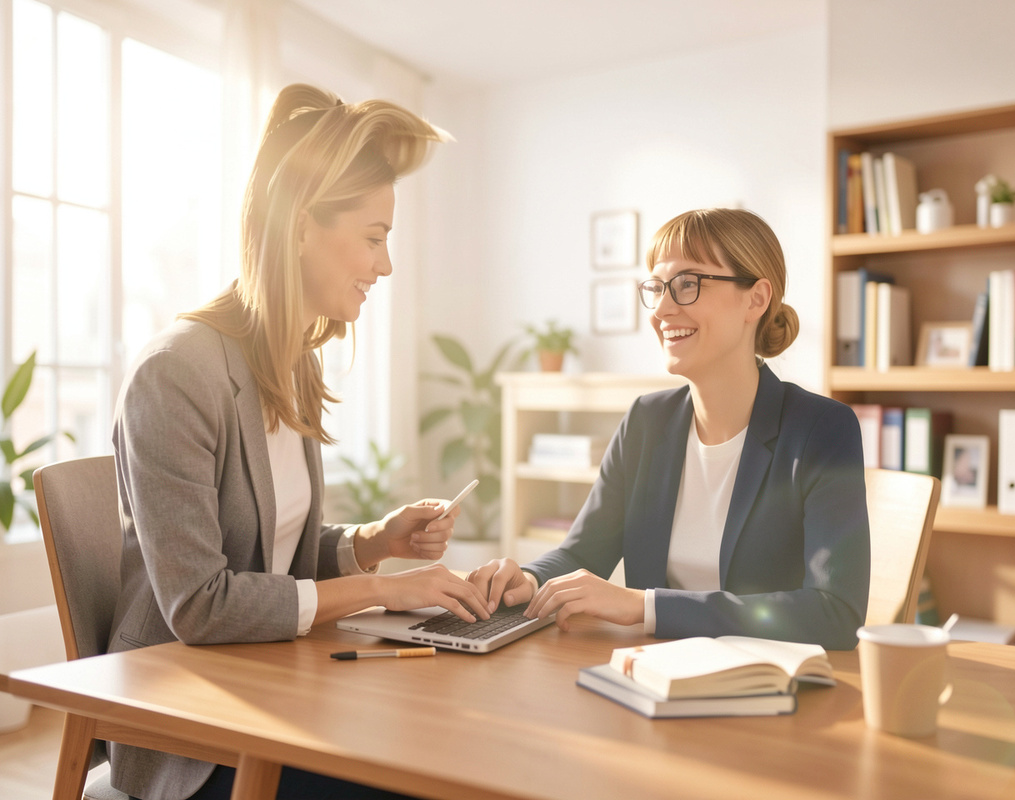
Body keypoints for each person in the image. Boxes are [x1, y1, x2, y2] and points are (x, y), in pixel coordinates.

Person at [108, 83, 488, 800]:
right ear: (302, 226)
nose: (385, 266)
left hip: (270, 683)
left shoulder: (288, 361)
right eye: (374, 238)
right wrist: (378, 588)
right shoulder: (177, 372)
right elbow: (202, 604)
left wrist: (378, 540)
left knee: (448, 745)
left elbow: (271, 556)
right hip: (191, 723)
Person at [469, 208, 870, 651]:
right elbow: (583, 553)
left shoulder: (820, 430)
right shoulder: (646, 421)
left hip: (766, 690)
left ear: (755, 300)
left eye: (687, 284)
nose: (661, 310)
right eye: (657, 288)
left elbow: (835, 612)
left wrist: (647, 607)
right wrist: (529, 579)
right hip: (652, 677)